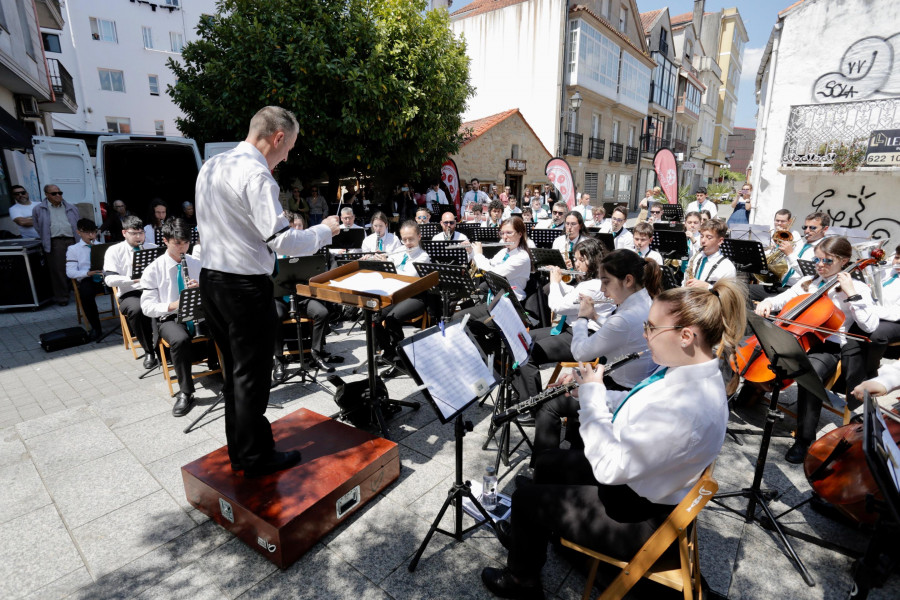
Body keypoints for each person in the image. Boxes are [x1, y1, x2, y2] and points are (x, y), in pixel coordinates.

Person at [481, 278, 747, 598]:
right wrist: (593, 394)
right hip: (643, 482)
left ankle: (522, 581)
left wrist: (593, 400)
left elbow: (610, 468)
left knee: (525, 499)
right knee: (550, 462)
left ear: (686, 336)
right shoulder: (694, 367)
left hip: (638, 517)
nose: (645, 335)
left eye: (651, 327)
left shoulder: (684, 406)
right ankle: (537, 534)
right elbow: (639, 400)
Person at [195, 106, 340, 478]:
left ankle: (242, 451)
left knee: (235, 374)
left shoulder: (212, 164)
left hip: (212, 281)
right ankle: (255, 457)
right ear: (277, 138)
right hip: (242, 286)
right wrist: (326, 230)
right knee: (252, 376)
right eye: (289, 146)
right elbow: (283, 242)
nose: (288, 155)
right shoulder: (256, 173)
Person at [755, 236, 879, 463]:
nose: (820, 265)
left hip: (828, 346)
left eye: (827, 261)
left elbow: (870, 325)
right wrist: (768, 303)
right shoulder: (809, 281)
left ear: (844, 261)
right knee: (760, 345)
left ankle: (804, 440)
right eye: (817, 259)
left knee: (809, 375)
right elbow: (785, 298)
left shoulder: (857, 287)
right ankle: (749, 393)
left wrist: (851, 293)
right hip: (799, 336)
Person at [139, 218, 209, 417]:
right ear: (165, 241)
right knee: (179, 339)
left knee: (225, 326)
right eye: (177, 243)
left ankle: (224, 373)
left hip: (197, 312)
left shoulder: (196, 263)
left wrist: (200, 289)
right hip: (169, 317)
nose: (183, 247)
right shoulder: (154, 268)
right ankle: (186, 392)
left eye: (186, 242)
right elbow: (147, 307)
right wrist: (172, 305)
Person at [374, 221, 432, 377]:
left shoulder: (423, 256)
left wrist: (389, 265)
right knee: (374, 316)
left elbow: (408, 276)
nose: (407, 243)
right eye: (404, 239)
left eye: (411, 239)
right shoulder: (400, 251)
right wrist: (382, 262)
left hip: (415, 297)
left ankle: (400, 361)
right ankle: (390, 353)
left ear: (419, 237)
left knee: (393, 319)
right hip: (397, 295)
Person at [103, 215, 158, 368]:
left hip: (151, 289)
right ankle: (149, 351)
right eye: (134, 233)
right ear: (124, 233)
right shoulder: (114, 251)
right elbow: (109, 280)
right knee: (137, 310)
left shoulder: (152, 247)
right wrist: (132, 279)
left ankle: (165, 347)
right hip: (130, 292)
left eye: (141, 233)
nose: (139, 237)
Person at [32, 184, 79, 305]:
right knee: (58, 271)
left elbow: (77, 223)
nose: (58, 195)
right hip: (55, 241)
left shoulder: (71, 207)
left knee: (77, 266)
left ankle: (80, 293)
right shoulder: (39, 209)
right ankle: (62, 298)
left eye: (60, 193)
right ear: (47, 195)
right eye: (54, 193)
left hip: (72, 240)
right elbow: (38, 227)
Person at [65, 218, 105, 340]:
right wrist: (88, 273)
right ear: (79, 232)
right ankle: (96, 328)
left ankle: (129, 325)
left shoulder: (101, 246)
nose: (91, 235)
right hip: (87, 278)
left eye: (93, 232)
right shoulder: (73, 249)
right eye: (87, 232)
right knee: (86, 293)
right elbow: (70, 272)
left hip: (104, 276)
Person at [684, 218, 736, 288]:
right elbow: (684, 282)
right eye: (701, 236)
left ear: (720, 241)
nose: (703, 240)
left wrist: (707, 287)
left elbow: (728, 295)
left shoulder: (727, 267)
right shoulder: (695, 258)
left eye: (709, 237)